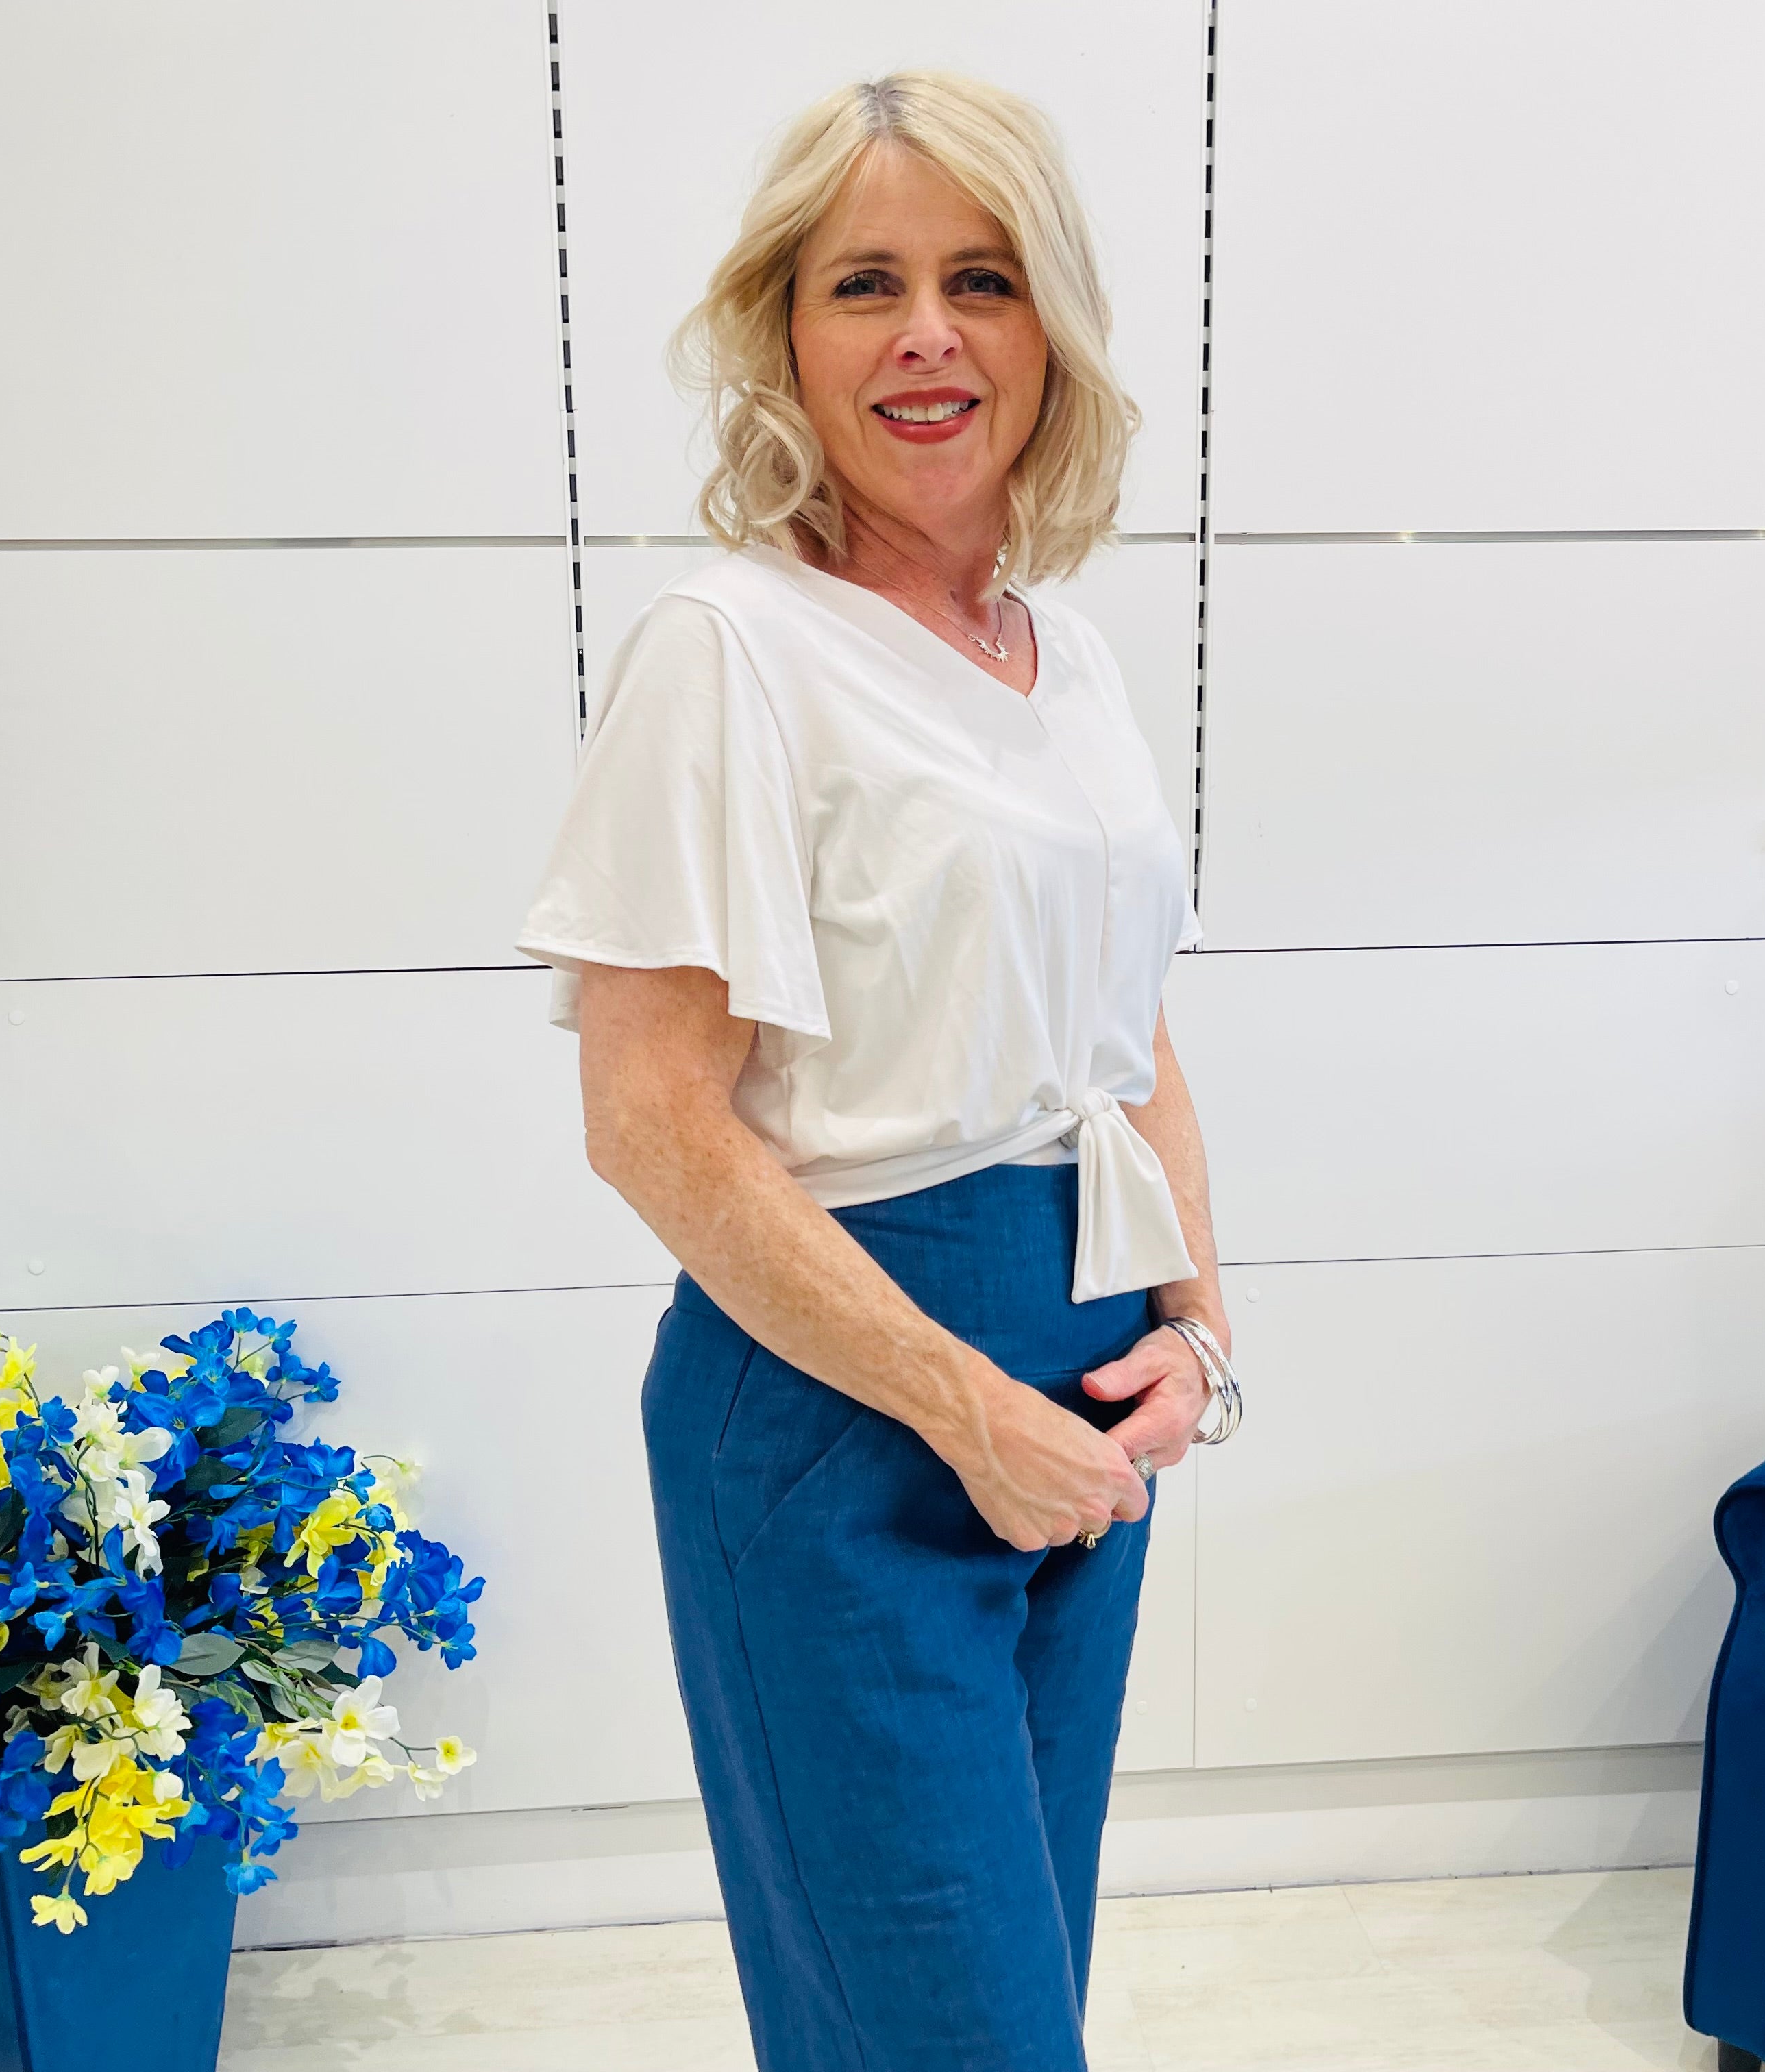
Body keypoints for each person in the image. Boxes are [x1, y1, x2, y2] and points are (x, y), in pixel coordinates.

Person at [517, 69, 1236, 2072]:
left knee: (1017, 1985)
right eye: (866, 285)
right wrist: (964, 1407)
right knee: (950, 2036)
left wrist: (1198, 1325)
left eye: (980, 279)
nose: (928, 332)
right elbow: (652, 1121)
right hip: (850, 1411)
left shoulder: (1062, 659)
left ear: (1048, 334)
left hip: (1089, 1406)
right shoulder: (727, 649)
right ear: (785, 335)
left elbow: (1131, 1024)